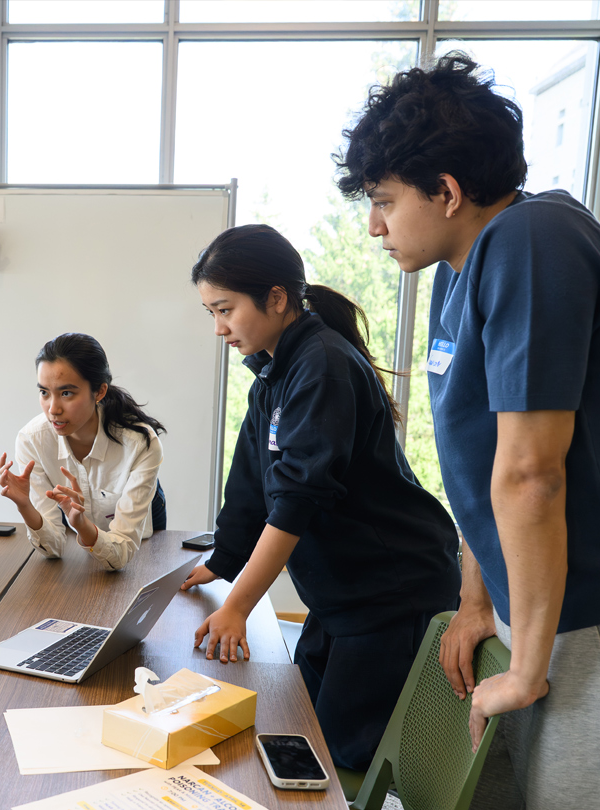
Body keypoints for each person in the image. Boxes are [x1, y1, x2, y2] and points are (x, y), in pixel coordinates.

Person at [334, 53, 600, 810]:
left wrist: (530, 664)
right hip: (532, 609)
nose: (373, 226)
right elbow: (478, 462)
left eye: (382, 199)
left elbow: (532, 474)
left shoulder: (534, 242)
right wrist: (478, 602)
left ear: (446, 191)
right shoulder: (459, 267)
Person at [182, 224, 459, 771]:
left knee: (332, 761)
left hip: (389, 592)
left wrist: (238, 606)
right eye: (210, 313)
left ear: (277, 298)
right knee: (291, 728)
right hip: (343, 595)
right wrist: (221, 562)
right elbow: (251, 481)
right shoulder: (273, 371)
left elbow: (297, 500)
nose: (218, 328)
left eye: (224, 309)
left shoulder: (322, 365)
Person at [0, 332, 166, 571]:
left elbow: (121, 553)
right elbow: (53, 548)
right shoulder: (31, 440)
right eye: (44, 392)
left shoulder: (140, 443)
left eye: (66, 393)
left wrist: (82, 526)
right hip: (80, 525)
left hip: (142, 532)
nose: (53, 409)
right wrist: (25, 506)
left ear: (99, 392)